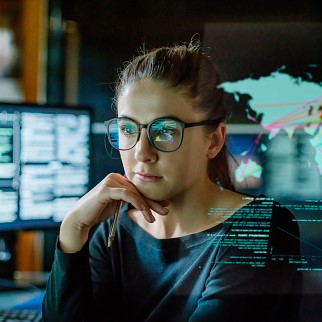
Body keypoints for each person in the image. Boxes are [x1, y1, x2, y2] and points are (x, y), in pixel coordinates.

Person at [42, 40, 303, 322]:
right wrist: (73, 228)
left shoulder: (261, 228)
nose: (142, 152)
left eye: (166, 131)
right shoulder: (112, 233)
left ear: (213, 140)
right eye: (128, 129)